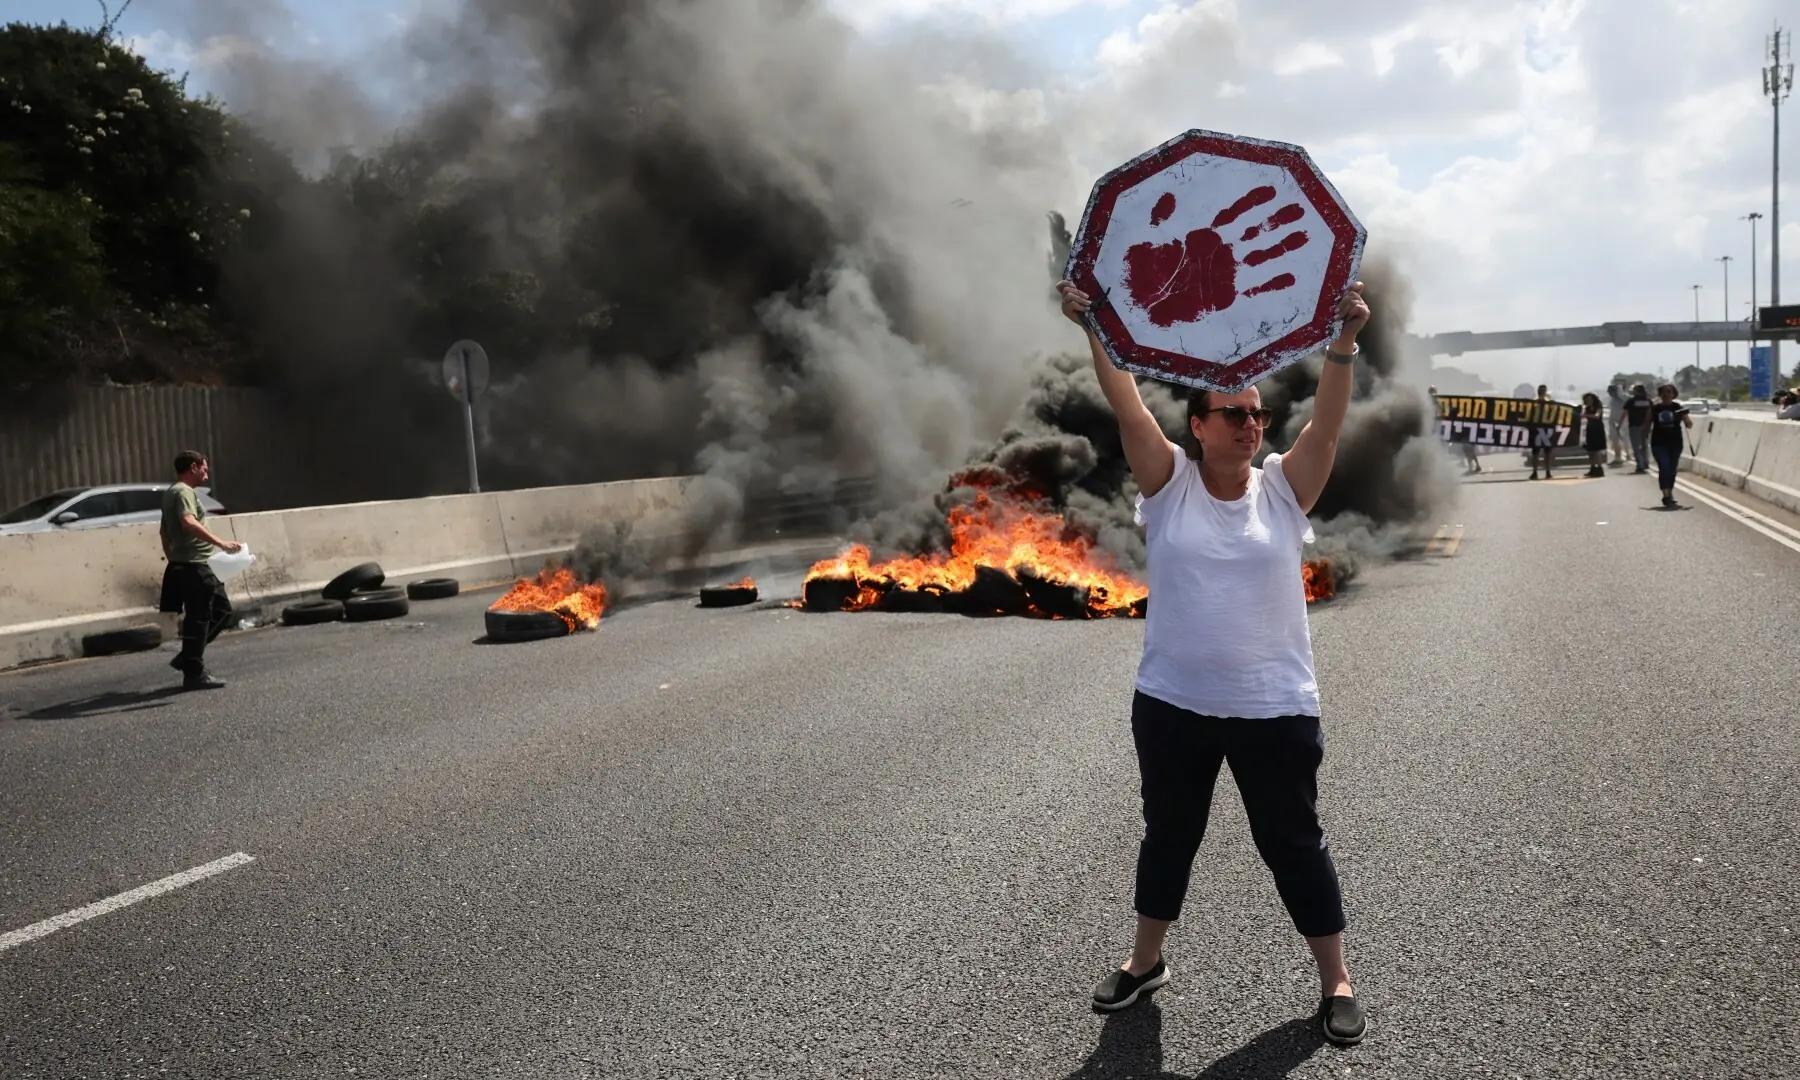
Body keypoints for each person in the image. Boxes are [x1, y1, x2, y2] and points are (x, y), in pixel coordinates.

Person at [1055, 276, 1371, 1047]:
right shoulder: (1168, 486)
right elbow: (1126, 402)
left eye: (1258, 414)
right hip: (1174, 702)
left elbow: (1325, 433)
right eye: (1233, 414)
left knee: (1293, 842)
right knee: (1169, 834)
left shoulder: (1282, 493)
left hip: (1275, 705)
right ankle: (1144, 963)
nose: (1250, 425)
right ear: (1197, 426)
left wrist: (1343, 343)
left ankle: (1336, 980)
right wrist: (1095, 324)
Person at [158, 451, 241, 690]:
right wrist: (221, 543)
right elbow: (188, 522)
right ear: (193, 467)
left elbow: (164, 532)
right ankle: (193, 669)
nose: (207, 472)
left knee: (218, 611)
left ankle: (189, 658)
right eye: (204, 468)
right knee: (201, 617)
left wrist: (173, 560)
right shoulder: (184, 491)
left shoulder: (171, 493)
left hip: (187, 564)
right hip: (195, 565)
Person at [1647, 385, 1693, 508]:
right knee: (1664, 467)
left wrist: (1685, 416)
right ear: (1660, 395)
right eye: (1663, 392)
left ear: (1673, 394)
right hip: (1659, 443)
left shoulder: (1677, 407)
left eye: (1669, 392)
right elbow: (1646, 425)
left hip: (1675, 443)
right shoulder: (1654, 409)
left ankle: (1670, 493)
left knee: (1672, 469)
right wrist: (1642, 442)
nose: (1666, 394)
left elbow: (1689, 425)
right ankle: (1666, 495)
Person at [1529, 384, 1557, 480]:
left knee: (1547, 452)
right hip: (1536, 429)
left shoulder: (1549, 402)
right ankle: (1535, 472)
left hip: (1546, 429)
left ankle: (1548, 471)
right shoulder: (1533, 402)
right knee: (1535, 452)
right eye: (1540, 390)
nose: (1541, 392)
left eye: (1543, 390)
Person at [1623, 384, 1653, 473]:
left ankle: (1640, 465)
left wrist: (1619, 425)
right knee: (1645, 445)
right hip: (1646, 426)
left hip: (1634, 426)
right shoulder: (1648, 401)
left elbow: (1624, 413)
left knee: (1636, 446)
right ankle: (1646, 462)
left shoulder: (1631, 401)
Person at [1581, 392, 1607, 478]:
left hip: (1597, 429)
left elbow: (1597, 416)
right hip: (1590, 429)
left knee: (1596, 450)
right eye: (1586, 400)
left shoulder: (1598, 407)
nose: (1588, 401)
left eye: (1589, 399)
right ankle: (1592, 468)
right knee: (1590, 450)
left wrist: (1586, 415)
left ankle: (1599, 468)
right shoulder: (1587, 408)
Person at [1606, 384, 1628, 466]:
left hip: (1620, 422)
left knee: (1622, 440)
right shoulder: (1613, 400)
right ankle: (1618, 456)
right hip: (1614, 422)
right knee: (1615, 440)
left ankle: (1621, 457)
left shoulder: (1622, 399)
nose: (1609, 393)